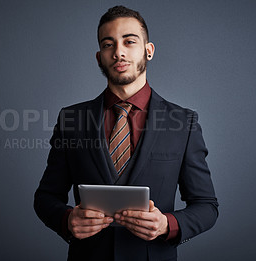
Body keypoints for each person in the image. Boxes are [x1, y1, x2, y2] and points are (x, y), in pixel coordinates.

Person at [34, 5, 218, 261]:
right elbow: (45, 197)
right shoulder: (71, 120)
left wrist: (167, 224)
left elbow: (207, 206)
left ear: (148, 50)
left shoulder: (183, 123)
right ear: (99, 57)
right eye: (108, 44)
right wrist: (67, 220)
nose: (118, 52)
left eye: (129, 41)